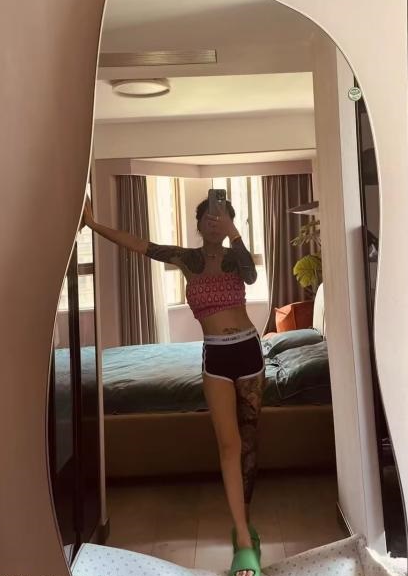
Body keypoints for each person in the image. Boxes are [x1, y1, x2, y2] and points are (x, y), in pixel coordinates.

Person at [83, 195, 264, 576]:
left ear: (229, 222)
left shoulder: (236, 257)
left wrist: (235, 233)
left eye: (221, 216)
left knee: (248, 443)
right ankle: (244, 539)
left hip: (249, 351)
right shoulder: (186, 258)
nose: (214, 221)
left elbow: (251, 275)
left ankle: (245, 527)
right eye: (208, 216)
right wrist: (95, 225)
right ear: (198, 223)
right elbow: (139, 244)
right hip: (216, 357)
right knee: (229, 446)